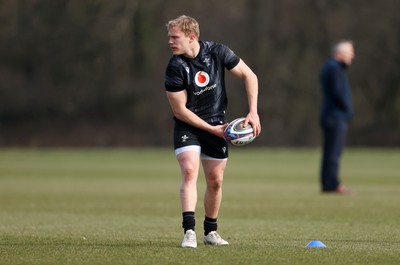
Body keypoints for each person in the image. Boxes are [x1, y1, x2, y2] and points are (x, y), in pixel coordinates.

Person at [164, 15, 261, 248]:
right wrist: (212, 130)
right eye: (169, 37)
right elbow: (179, 111)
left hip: (218, 125)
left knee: (215, 181)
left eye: (175, 37)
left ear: (192, 37)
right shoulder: (175, 67)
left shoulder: (217, 52)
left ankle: (210, 231)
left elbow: (250, 76)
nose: (170, 41)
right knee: (189, 170)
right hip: (189, 126)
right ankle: (189, 231)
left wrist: (253, 112)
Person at [319, 40, 355, 194]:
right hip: (335, 116)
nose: (353, 56)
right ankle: (332, 183)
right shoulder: (334, 68)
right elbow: (337, 91)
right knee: (334, 152)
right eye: (350, 52)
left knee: (330, 151)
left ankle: (328, 182)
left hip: (330, 115)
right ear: (340, 53)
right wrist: (346, 107)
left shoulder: (330, 66)